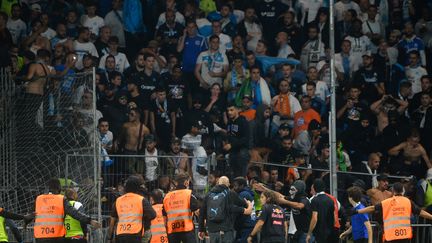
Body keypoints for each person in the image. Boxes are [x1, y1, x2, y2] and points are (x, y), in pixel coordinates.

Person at [354, 182, 432, 242]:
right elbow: (421, 212)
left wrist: (357, 211)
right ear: (402, 191)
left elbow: (372, 208)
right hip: (405, 237)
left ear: (393, 191)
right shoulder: (408, 202)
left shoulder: (386, 202)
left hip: (390, 237)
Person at [32, 178, 101, 243]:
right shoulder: (61, 199)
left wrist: (25, 218)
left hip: (40, 237)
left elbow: (33, 214)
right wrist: (90, 221)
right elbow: (75, 213)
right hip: (56, 237)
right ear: (59, 188)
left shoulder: (39, 199)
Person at [199, 176, 253, 242]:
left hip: (212, 231)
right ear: (228, 184)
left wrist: (201, 229)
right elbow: (241, 204)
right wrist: (248, 204)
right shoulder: (230, 193)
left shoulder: (208, 195)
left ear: (218, 183)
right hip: (226, 230)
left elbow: (202, 213)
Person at [107, 175, 156, 243]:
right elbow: (153, 215)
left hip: (120, 234)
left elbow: (112, 222)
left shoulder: (118, 200)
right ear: (138, 188)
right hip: (135, 234)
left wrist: (109, 238)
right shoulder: (141, 200)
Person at [162, 173, 200, 243]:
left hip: (172, 230)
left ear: (176, 183)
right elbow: (198, 212)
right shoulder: (189, 194)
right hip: (187, 230)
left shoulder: (167, 196)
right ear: (186, 182)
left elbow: (164, 216)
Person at [224, 102, 250, 177]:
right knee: (232, 172)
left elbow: (246, 139)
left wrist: (232, 145)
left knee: (240, 173)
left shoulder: (243, 122)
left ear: (237, 110)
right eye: (228, 110)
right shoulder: (229, 122)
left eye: (232, 110)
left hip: (242, 150)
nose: (229, 112)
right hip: (233, 150)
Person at [306, 179, 335, 243]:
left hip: (319, 233)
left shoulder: (314, 200)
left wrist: (309, 233)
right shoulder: (331, 200)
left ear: (315, 188)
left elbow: (314, 218)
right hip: (330, 233)